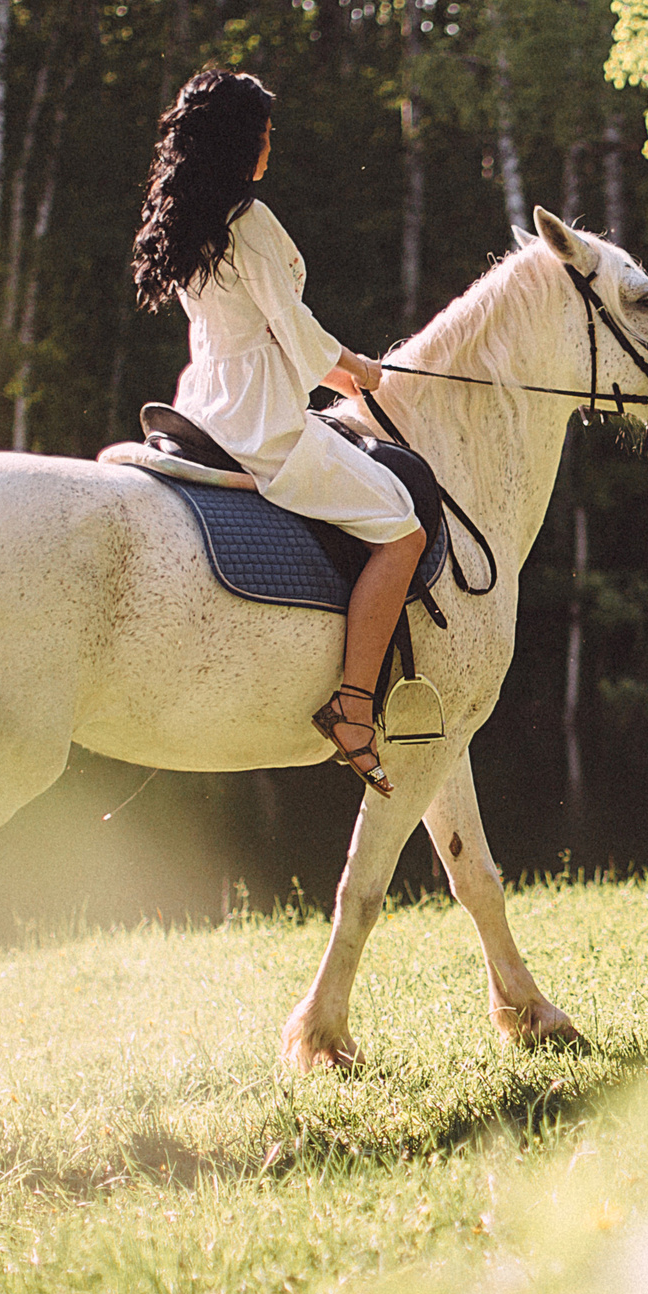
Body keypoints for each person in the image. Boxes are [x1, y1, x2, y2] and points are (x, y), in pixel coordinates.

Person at [131, 67, 428, 795]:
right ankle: (355, 708)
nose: (271, 145)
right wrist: (355, 368)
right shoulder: (248, 222)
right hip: (262, 422)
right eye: (264, 133)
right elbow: (292, 330)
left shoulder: (191, 219)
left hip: (202, 402)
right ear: (244, 142)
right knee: (403, 531)